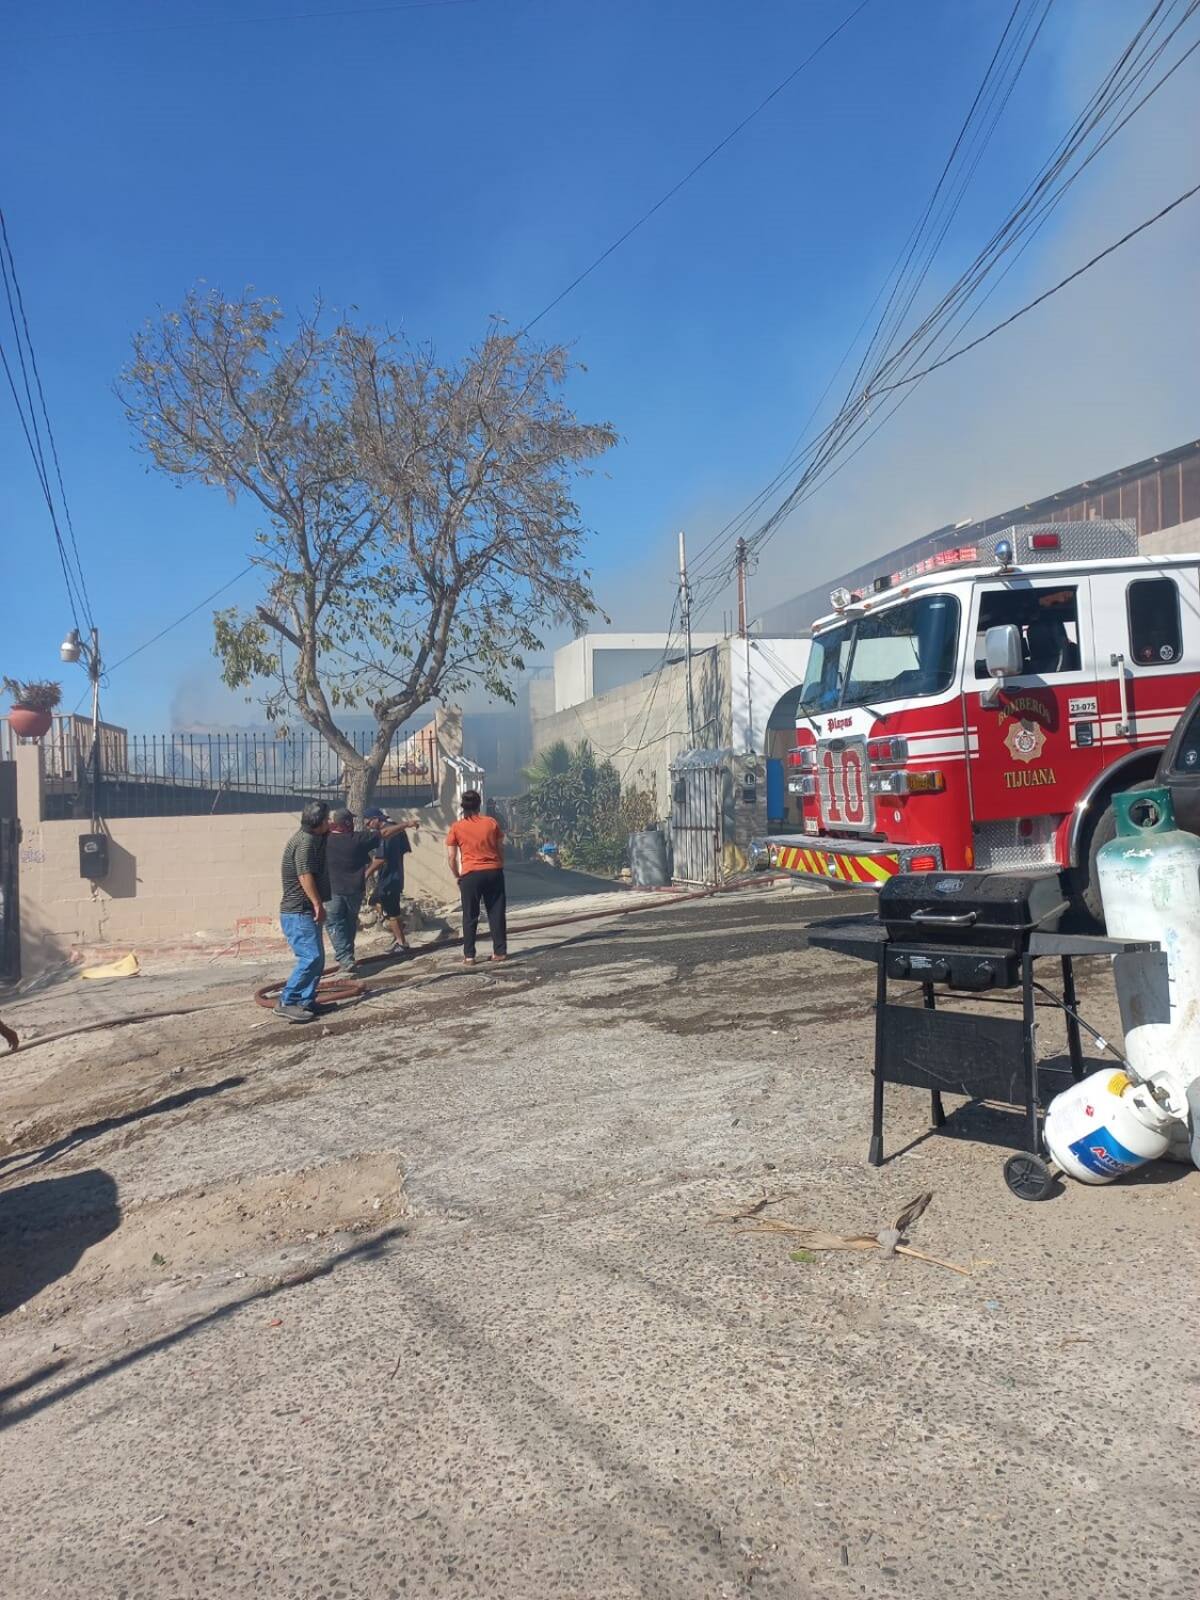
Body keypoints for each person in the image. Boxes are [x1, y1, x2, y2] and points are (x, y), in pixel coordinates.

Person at [324, 807, 408, 976]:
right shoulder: (359, 839)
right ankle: (348, 957)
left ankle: (345, 958)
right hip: (355, 890)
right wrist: (406, 824)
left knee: (334, 924)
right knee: (349, 923)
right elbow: (384, 834)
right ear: (348, 823)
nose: (363, 824)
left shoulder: (325, 840)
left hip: (333, 891)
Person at [277, 800, 332, 1023]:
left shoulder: (314, 838)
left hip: (305, 910)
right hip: (298, 912)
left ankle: (306, 1001)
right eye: (326, 819)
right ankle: (287, 1001)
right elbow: (304, 875)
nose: (329, 822)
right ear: (318, 823)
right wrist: (318, 904)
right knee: (310, 958)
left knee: (318, 960)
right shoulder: (305, 842)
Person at [445, 789, 507, 967]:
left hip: (470, 874)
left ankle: (470, 956)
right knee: (496, 912)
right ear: (479, 805)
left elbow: (451, 857)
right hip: (494, 871)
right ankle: (500, 952)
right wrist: (499, 864)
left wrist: (458, 875)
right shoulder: (491, 823)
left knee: (470, 915)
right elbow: (500, 847)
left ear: (463, 807)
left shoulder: (457, 827)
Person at [364, 805, 417, 957]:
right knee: (375, 901)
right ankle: (398, 927)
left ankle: (401, 942)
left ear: (376, 819)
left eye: (368, 822)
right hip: (392, 876)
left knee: (390, 910)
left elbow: (381, 859)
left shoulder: (387, 834)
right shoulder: (396, 829)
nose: (368, 826)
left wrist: (366, 873)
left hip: (389, 878)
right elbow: (404, 849)